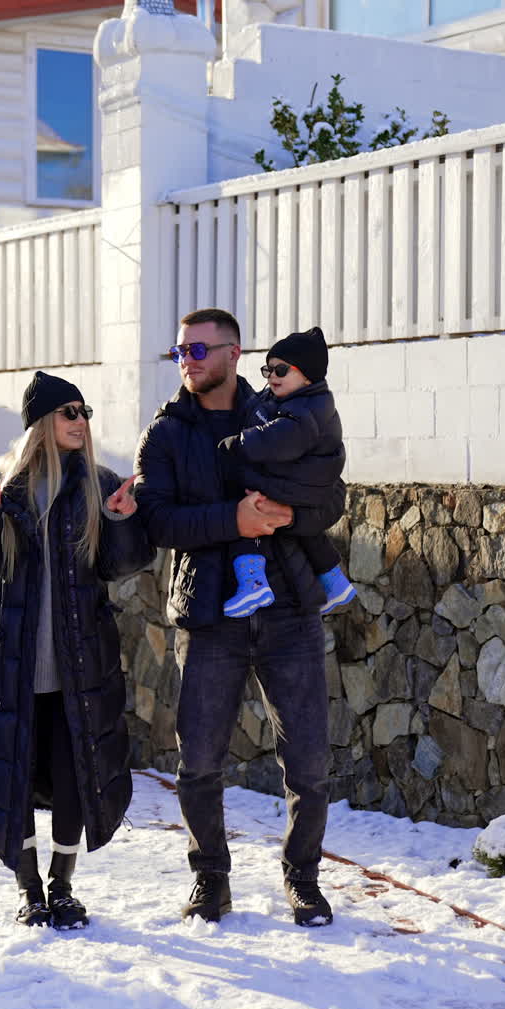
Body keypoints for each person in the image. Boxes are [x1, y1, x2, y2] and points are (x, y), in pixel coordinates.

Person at [133, 309, 347, 927]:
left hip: (288, 610)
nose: (188, 361)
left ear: (234, 352)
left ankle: (303, 880)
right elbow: (159, 521)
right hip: (208, 614)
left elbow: (331, 494)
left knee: (308, 763)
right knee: (198, 760)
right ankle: (211, 879)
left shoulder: (282, 409)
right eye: (180, 353)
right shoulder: (167, 432)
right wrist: (237, 522)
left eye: (199, 350)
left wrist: (285, 514)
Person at [0, 371, 154, 930]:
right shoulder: (4, 487)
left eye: (84, 411)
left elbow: (121, 565)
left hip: (78, 668)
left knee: (73, 779)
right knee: (14, 777)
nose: (81, 421)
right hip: (12, 669)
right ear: (43, 423)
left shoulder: (98, 484)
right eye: (69, 412)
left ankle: (62, 885)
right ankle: (28, 887)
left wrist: (126, 522)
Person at [219, 325, 356, 618]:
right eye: (267, 371)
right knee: (306, 531)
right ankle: (334, 581)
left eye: (281, 370)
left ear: (307, 375)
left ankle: (253, 582)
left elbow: (277, 439)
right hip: (304, 483)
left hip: (302, 481)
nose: (272, 378)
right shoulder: (287, 399)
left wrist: (238, 444)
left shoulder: (307, 409)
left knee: (252, 507)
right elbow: (257, 407)